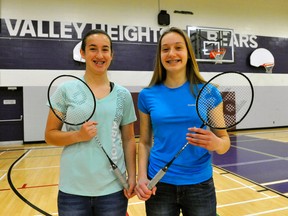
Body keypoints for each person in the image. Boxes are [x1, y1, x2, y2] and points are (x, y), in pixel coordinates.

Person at [134, 27, 231, 216]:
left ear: (188, 53)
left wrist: (216, 143)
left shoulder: (209, 92)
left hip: (199, 185)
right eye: (165, 49)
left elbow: (224, 141)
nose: (172, 54)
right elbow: (145, 142)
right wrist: (141, 177)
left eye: (178, 47)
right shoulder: (148, 95)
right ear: (160, 55)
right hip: (159, 184)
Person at [45, 29, 137, 216]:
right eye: (93, 49)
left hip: (113, 188)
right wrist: (78, 135)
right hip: (73, 191)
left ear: (112, 55)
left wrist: (132, 176)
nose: (99, 55)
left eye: (105, 49)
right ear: (82, 53)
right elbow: (49, 135)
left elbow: (128, 140)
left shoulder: (123, 95)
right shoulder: (66, 90)